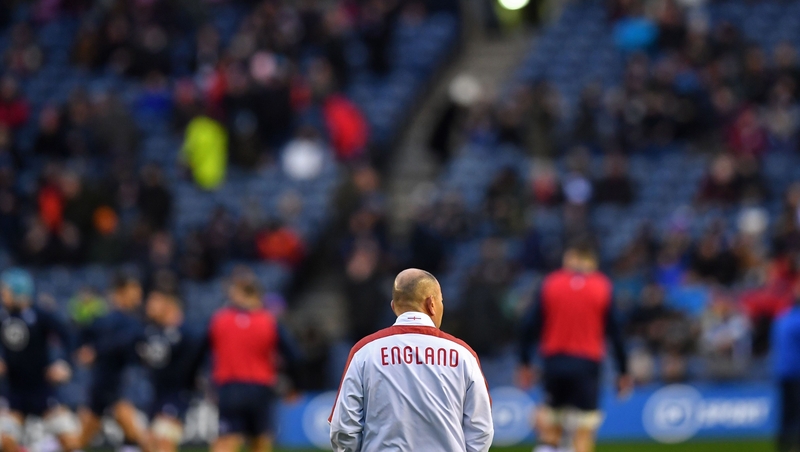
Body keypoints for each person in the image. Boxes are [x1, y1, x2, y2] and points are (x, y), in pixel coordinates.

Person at [329, 268, 494, 452]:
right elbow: (481, 429)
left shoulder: (364, 351)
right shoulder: (463, 354)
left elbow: (344, 428)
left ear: (394, 306)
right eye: (441, 301)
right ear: (431, 303)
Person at [518, 240, 632, 452]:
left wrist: (524, 363)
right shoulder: (602, 286)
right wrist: (623, 371)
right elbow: (616, 333)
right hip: (587, 365)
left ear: (568, 258)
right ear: (592, 261)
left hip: (554, 364)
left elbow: (529, 326)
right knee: (583, 432)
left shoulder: (551, 283)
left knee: (550, 428)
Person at [208, 269, 301, 452]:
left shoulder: (219, 320)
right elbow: (294, 355)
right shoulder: (269, 322)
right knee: (260, 440)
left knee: (226, 439)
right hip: (260, 388)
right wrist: (295, 386)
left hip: (229, 388)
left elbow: (200, 352)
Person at [0, 268, 81, 452]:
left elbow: (69, 337)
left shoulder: (40, 316)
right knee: (5, 442)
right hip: (14, 392)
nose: (2, 295)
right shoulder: (3, 317)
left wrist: (64, 363)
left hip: (43, 391)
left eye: (6, 290)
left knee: (71, 441)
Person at [76, 274, 150, 451]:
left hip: (119, 385)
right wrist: (87, 352)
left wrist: (95, 351)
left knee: (136, 436)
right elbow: (83, 344)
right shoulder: (108, 319)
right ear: (120, 292)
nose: (138, 296)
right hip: (107, 384)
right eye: (134, 291)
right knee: (138, 437)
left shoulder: (133, 322)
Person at [138, 284, 207, 452]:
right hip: (156, 397)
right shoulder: (150, 332)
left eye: (154, 301)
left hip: (178, 397)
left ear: (168, 303)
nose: (148, 306)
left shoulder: (189, 335)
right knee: (150, 445)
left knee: (164, 440)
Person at [773, 294, 800, 452]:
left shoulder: (781, 320)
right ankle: (795, 444)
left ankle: (783, 445)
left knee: (786, 411)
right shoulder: (798, 321)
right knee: (797, 412)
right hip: (796, 371)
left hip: (781, 370)